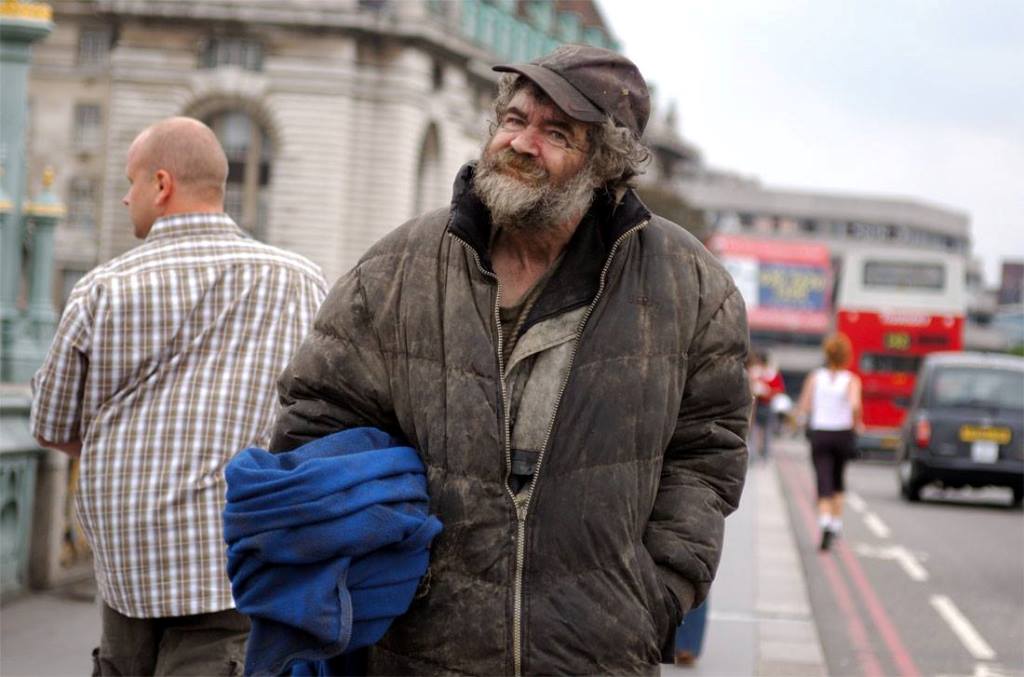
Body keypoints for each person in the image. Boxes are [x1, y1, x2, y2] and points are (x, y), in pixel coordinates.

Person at [269, 45, 750, 675]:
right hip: (418, 650)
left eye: (557, 133)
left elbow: (709, 452)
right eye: (516, 119)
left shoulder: (690, 286)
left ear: (604, 165)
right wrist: (377, 565)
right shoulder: (398, 267)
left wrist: (654, 591)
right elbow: (315, 419)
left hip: (596, 653)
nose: (522, 143)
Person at [30, 117, 327, 675]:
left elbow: (49, 423)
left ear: (161, 185)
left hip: (128, 563)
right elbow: (325, 410)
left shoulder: (103, 287)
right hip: (234, 556)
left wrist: (122, 457)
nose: (124, 197)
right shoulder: (301, 280)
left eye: (131, 182)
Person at [796, 332, 863, 551]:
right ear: (847, 356)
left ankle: (824, 522)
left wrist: (803, 419)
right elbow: (854, 405)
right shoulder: (851, 380)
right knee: (838, 479)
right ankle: (835, 524)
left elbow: (804, 406)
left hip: (820, 433)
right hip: (842, 433)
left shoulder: (815, 377)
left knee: (823, 479)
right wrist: (857, 424)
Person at [749, 349, 785, 461]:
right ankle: (758, 454)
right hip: (757, 405)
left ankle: (764, 454)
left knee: (765, 432)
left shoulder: (771, 374)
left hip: (767, 405)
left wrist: (767, 391)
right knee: (757, 431)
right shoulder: (755, 373)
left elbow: (779, 390)